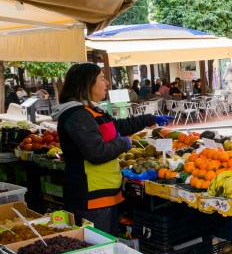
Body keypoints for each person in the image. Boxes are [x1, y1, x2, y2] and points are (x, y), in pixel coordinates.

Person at [51, 63, 162, 236]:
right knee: (99, 251)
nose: (107, 83)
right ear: (88, 84)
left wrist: (149, 119)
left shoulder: (91, 110)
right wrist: (124, 143)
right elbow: (97, 152)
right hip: (91, 197)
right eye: (102, 79)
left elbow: (116, 126)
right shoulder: (76, 115)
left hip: (105, 193)